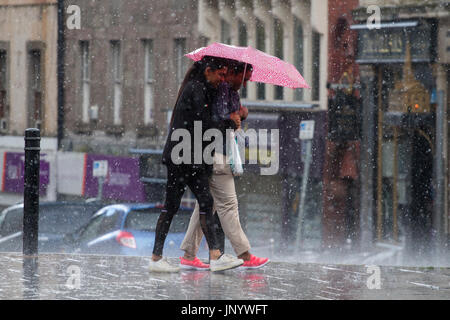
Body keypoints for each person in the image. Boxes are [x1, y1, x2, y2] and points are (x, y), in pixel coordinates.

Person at [149, 56, 244, 272]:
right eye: (220, 74)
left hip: (189, 156)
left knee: (201, 202)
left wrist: (234, 114)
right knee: (176, 205)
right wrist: (228, 122)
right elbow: (204, 123)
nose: (223, 78)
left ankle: (212, 255)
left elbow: (207, 120)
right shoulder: (196, 89)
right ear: (208, 70)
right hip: (183, 157)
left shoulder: (202, 89)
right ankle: (158, 258)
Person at [179, 60, 269, 270]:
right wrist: (233, 117)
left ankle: (189, 254)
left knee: (206, 206)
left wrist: (240, 114)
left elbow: (227, 117)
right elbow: (218, 119)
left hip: (213, 151)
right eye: (243, 79)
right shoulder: (221, 89)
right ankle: (244, 254)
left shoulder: (223, 89)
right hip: (217, 153)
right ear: (233, 73)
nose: (245, 84)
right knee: (228, 205)